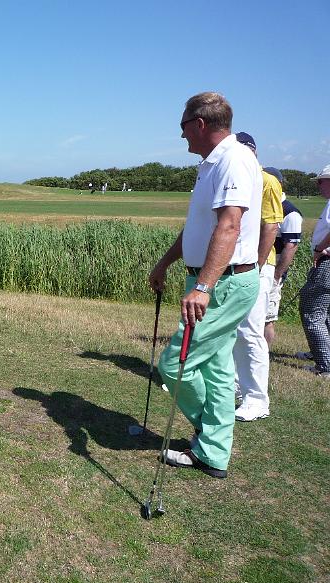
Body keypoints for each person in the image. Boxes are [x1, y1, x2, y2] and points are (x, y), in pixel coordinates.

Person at [149, 92, 261, 479]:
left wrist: (204, 287)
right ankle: (213, 453)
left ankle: (209, 434)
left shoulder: (232, 160)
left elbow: (229, 227)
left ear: (198, 124)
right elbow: (200, 228)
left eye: (182, 127)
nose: (181, 137)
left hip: (222, 283)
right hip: (213, 278)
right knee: (214, 370)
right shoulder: (211, 164)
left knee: (173, 365)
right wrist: (166, 262)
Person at [232, 134, 283, 422]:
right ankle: (239, 387)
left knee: (251, 331)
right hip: (239, 265)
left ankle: (257, 399)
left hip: (256, 266)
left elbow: (271, 226)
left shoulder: (266, 180)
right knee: (236, 331)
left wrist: (256, 266)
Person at [264, 168, 303, 347]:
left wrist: (277, 275)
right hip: (262, 266)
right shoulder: (265, 206)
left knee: (267, 317)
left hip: (273, 269)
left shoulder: (290, 212)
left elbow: (291, 247)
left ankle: (263, 354)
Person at [299, 164, 330, 377]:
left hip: (327, 260)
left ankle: (325, 365)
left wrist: (319, 249)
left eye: (321, 181)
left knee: (313, 312)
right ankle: (322, 353)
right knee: (326, 314)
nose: (318, 185)